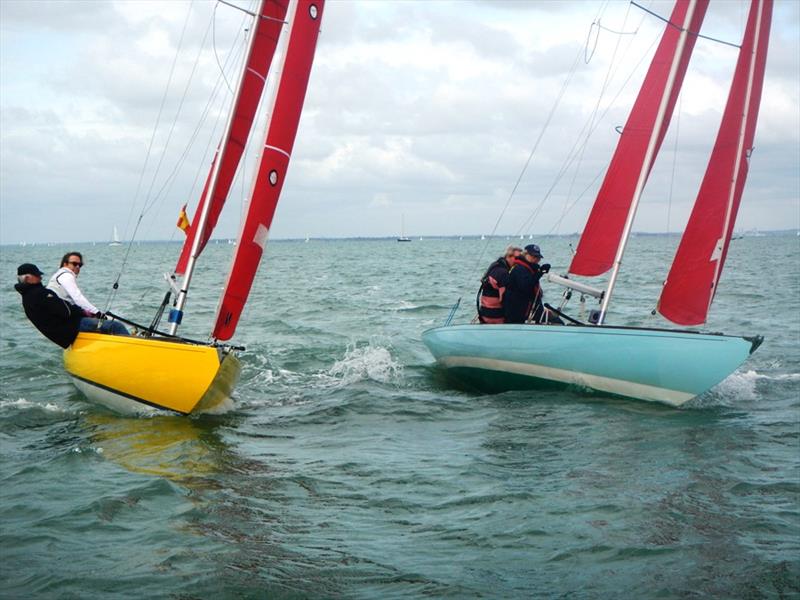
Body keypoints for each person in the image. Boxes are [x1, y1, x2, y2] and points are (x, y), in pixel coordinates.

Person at [16, 263, 128, 348]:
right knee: (116, 326)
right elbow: (65, 310)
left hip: (61, 335)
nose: (40, 278)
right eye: (37, 275)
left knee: (104, 326)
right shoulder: (39, 293)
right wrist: (84, 312)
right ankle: (128, 352)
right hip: (71, 328)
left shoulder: (26, 298)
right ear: (27, 278)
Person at [503, 244, 551, 324]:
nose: (536, 259)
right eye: (533, 256)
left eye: (538, 257)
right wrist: (539, 273)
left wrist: (540, 271)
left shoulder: (529, 268)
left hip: (529, 310)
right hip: (519, 314)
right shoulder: (519, 269)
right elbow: (525, 286)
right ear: (525, 255)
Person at [47, 251, 102, 317]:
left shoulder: (58, 275)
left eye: (80, 265)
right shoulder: (66, 275)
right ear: (65, 264)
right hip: (63, 317)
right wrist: (97, 312)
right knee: (113, 325)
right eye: (74, 264)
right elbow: (77, 297)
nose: (78, 267)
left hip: (59, 313)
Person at [477, 246, 521, 324]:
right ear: (509, 256)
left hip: (484, 313)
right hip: (495, 317)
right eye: (517, 258)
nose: (519, 261)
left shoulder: (495, 265)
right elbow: (504, 299)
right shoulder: (503, 273)